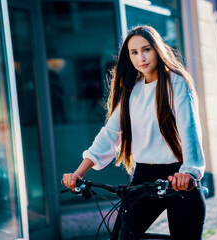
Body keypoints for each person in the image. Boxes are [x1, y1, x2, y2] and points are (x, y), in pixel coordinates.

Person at [62, 25, 206, 239]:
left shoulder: (176, 82)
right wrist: (78, 173)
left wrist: (189, 171)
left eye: (146, 49)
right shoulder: (132, 90)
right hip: (144, 177)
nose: (142, 57)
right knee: (122, 235)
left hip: (178, 178)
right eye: (134, 52)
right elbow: (110, 133)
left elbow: (189, 129)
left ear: (158, 49)